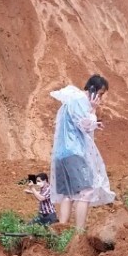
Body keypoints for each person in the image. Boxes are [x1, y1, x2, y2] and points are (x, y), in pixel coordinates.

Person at [50, 74, 115, 231]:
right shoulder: (80, 101)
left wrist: (94, 123)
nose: (100, 98)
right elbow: (85, 125)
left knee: (67, 193)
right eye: (100, 94)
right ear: (92, 90)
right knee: (86, 191)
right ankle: (79, 233)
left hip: (61, 154)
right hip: (74, 152)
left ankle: (61, 230)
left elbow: (77, 123)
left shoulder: (70, 100)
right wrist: (93, 108)